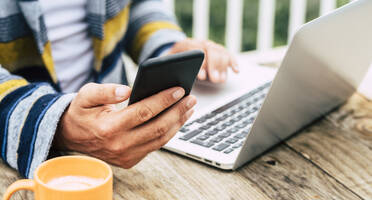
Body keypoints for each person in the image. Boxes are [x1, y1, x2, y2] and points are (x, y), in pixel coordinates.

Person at [0, 0, 239, 178]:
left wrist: (166, 46)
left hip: (122, 136)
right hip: (15, 165)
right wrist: (54, 122)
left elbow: (136, 5)